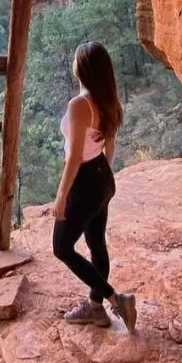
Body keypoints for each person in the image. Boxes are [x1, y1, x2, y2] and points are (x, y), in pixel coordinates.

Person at [52, 41, 137, 332]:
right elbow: (109, 145)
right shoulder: (106, 99)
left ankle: (116, 300)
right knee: (96, 243)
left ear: (83, 69)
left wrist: (62, 195)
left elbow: (74, 157)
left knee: (61, 247)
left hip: (86, 179)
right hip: (102, 175)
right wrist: (103, 178)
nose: (73, 63)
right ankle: (96, 308)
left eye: (77, 60)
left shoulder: (79, 106)